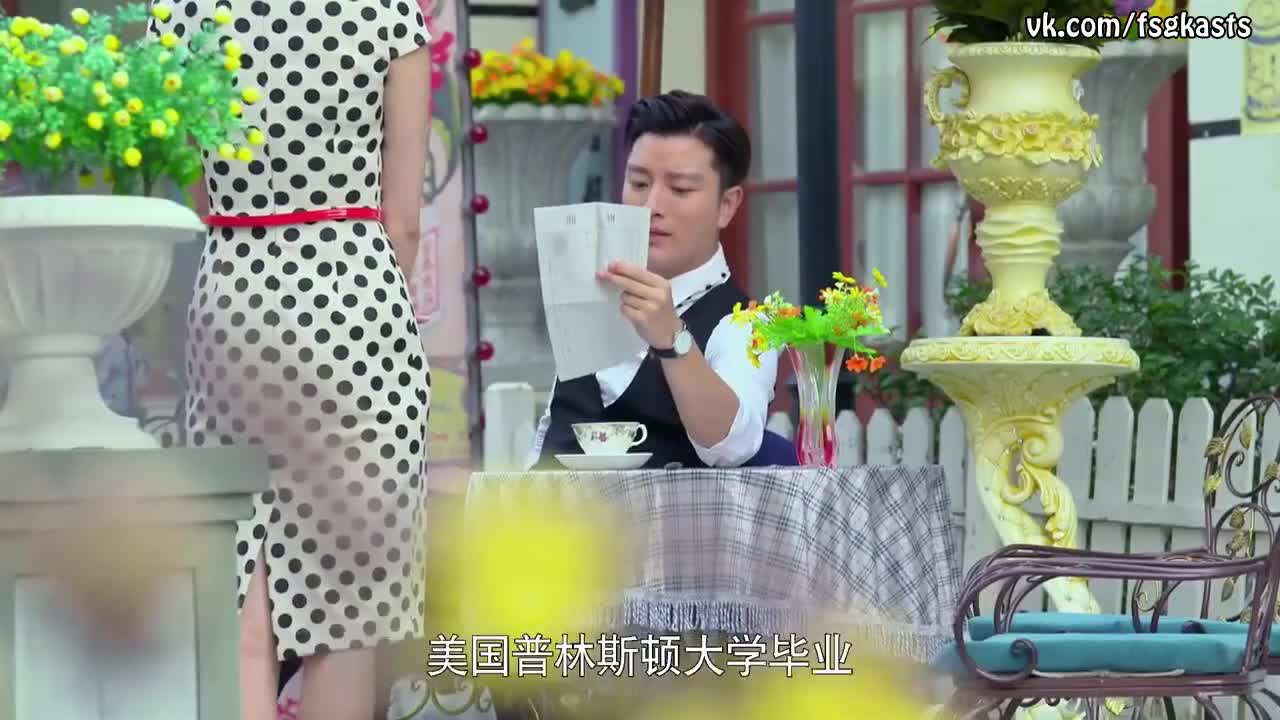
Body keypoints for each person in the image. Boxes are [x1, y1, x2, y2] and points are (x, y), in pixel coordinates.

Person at [148, 3, 433, 720]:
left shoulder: (179, 13)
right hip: (355, 295)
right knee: (347, 613)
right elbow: (403, 219)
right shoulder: (389, 12)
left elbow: (196, 191)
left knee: (243, 595)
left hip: (236, 288)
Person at [527, 91, 779, 470]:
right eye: (639, 183)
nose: (651, 207)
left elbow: (733, 445)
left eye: (680, 189)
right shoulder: (590, 298)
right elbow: (548, 436)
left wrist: (672, 339)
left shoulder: (746, 322)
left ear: (726, 206)